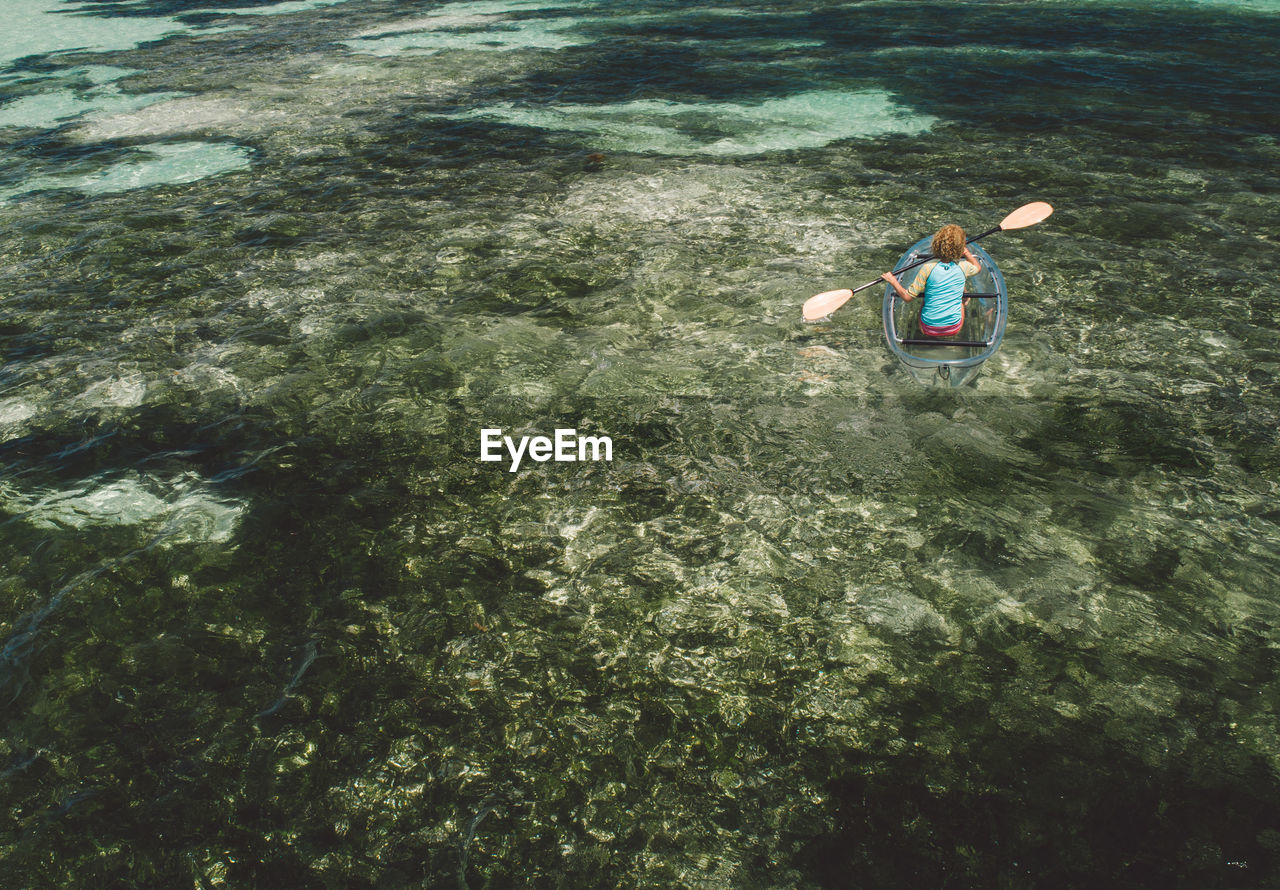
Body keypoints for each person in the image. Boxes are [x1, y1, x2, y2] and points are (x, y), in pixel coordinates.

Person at [881, 224, 982, 337]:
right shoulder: (964, 267)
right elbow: (978, 267)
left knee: (926, 297)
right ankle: (964, 301)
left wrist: (893, 281)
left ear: (936, 245)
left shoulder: (927, 268)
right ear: (960, 248)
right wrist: (967, 253)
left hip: (926, 328)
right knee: (962, 295)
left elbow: (907, 298)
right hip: (954, 328)